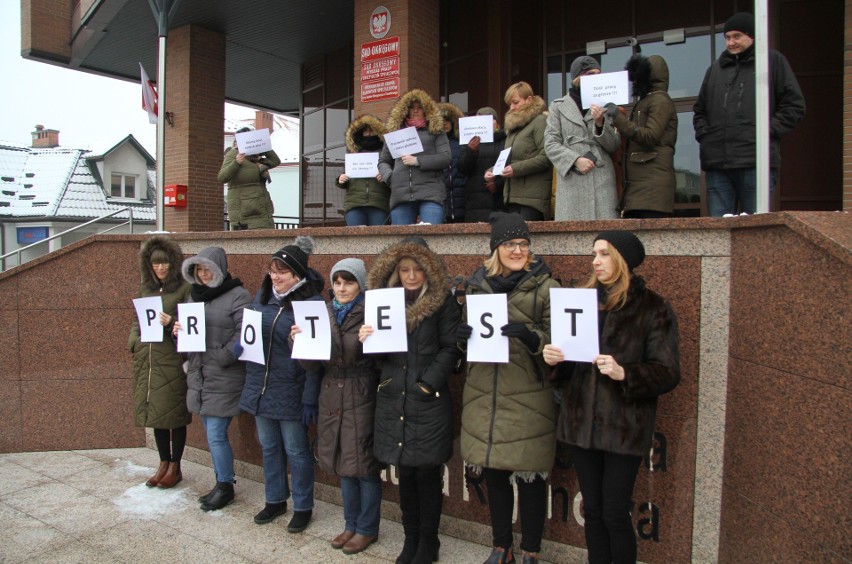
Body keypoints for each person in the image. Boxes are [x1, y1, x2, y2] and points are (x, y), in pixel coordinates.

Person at [543, 231, 680, 564]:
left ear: (622, 259)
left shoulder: (653, 307)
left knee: (615, 513)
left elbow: (668, 372)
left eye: (603, 253)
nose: (595, 261)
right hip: (581, 426)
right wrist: (553, 359)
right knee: (594, 510)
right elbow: (569, 365)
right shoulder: (582, 300)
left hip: (623, 428)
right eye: (594, 253)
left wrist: (626, 373)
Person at [458, 212, 560, 564]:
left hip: (528, 394)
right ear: (495, 248)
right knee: (494, 474)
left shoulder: (547, 286)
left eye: (523, 244)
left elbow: (562, 344)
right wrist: (461, 339)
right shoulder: (477, 285)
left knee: (530, 478)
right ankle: (502, 546)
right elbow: (466, 339)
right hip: (484, 392)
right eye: (510, 244)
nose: (518, 250)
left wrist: (534, 338)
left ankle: (530, 550)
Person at [359, 238, 461, 564]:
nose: (411, 275)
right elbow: (380, 356)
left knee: (427, 475)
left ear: (428, 269)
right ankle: (411, 538)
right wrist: (368, 339)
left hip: (426, 400)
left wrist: (428, 384)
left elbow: (451, 348)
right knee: (405, 474)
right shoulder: (384, 302)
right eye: (404, 269)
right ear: (395, 271)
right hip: (393, 397)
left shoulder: (443, 303)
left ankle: (429, 542)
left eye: (418, 269)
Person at [290, 258, 382, 554]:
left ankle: (367, 528)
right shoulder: (324, 312)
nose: (342, 288)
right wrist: (298, 343)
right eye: (338, 282)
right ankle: (350, 523)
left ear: (360, 285)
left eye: (349, 282)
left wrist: (371, 340)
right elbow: (311, 365)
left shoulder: (372, 312)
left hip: (360, 393)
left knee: (364, 466)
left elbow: (382, 358)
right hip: (331, 393)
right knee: (344, 463)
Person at [239, 236, 325, 531]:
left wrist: (309, 398)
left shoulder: (311, 304)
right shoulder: (261, 298)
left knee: (297, 451)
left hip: (291, 389)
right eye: (272, 271)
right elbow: (251, 339)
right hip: (261, 387)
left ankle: (303, 505)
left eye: (282, 272)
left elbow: (316, 360)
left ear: (297, 275)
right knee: (270, 447)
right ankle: (274, 499)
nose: (275, 277)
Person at [693, 12, 805, 216]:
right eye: (727, 37)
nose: (731, 42)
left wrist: (765, 132)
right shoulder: (715, 70)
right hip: (717, 163)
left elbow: (794, 105)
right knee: (719, 232)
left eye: (737, 36)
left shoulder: (772, 62)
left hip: (755, 161)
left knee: (755, 230)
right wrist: (705, 135)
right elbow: (700, 110)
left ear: (752, 36)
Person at [174, 247, 251, 511]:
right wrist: (178, 331)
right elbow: (189, 330)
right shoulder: (194, 296)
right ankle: (220, 482)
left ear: (219, 269)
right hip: (200, 375)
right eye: (199, 270)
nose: (204, 275)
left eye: (208, 269)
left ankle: (226, 485)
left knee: (217, 434)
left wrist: (220, 356)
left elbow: (244, 335)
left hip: (224, 376)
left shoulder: (238, 295)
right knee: (210, 433)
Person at [129, 236, 192, 490]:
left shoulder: (185, 289)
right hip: (149, 359)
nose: (161, 268)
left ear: (173, 263)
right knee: (155, 414)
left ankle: (175, 466)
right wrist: (134, 342)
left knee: (174, 415)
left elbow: (190, 322)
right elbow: (137, 319)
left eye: (165, 263)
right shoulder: (146, 290)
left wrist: (171, 322)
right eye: (156, 264)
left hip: (171, 358)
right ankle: (163, 462)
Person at [544, 56, 620, 221]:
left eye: (598, 74)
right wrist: (575, 160)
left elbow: (614, 145)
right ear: (578, 78)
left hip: (601, 177)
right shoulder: (558, 106)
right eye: (590, 74)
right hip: (572, 179)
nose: (596, 78)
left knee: (606, 236)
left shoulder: (606, 103)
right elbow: (550, 143)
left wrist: (600, 123)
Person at [605, 54, 678, 218]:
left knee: (650, 242)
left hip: (651, 191)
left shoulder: (659, 100)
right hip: (641, 190)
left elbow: (650, 136)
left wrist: (618, 118)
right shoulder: (648, 100)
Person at [379, 89, 452, 225]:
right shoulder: (395, 133)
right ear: (406, 111)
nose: (416, 111)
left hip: (431, 193)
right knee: (402, 243)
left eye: (420, 108)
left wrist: (417, 161)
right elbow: (383, 161)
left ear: (426, 110)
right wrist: (390, 177)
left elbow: (445, 158)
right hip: (401, 195)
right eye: (412, 108)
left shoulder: (436, 131)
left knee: (431, 240)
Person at [486, 82, 552, 221]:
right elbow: (508, 158)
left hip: (533, 199)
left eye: (515, 102)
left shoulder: (540, 121)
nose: (512, 107)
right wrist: (493, 171)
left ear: (529, 100)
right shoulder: (513, 127)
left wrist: (515, 169)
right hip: (513, 196)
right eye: (510, 104)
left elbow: (546, 157)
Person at [219, 126, 282, 230]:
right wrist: (236, 163)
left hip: (262, 211)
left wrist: (263, 145)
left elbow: (275, 160)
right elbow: (222, 177)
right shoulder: (233, 154)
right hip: (245, 214)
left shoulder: (256, 158)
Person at [336, 115, 391, 226]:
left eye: (371, 130)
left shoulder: (386, 154)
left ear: (378, 132)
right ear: (360, 133)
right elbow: (345, 177)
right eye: (365, 131)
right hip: (354, 204)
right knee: (356, 240)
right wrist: (341, 180)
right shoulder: (353, 155)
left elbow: (394, 178)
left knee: (379, 241)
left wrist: (385, 177)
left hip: (379, 203)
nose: (369, 134)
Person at [458, 107, 506, 223]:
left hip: (498, 200)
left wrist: (498, 184)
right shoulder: (468, 143)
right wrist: (471, 151)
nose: (488, 122)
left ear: (497, 123)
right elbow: (462, 168)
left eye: (491, 119)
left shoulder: (505, 140)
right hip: (476, 202)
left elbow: (509, 164)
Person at [438, 102, 467, 223]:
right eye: (441, 120)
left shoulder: (462, 142)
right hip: (442, 196)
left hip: (462, 195)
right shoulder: (435, 145)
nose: (444, 124)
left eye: (447, 120)